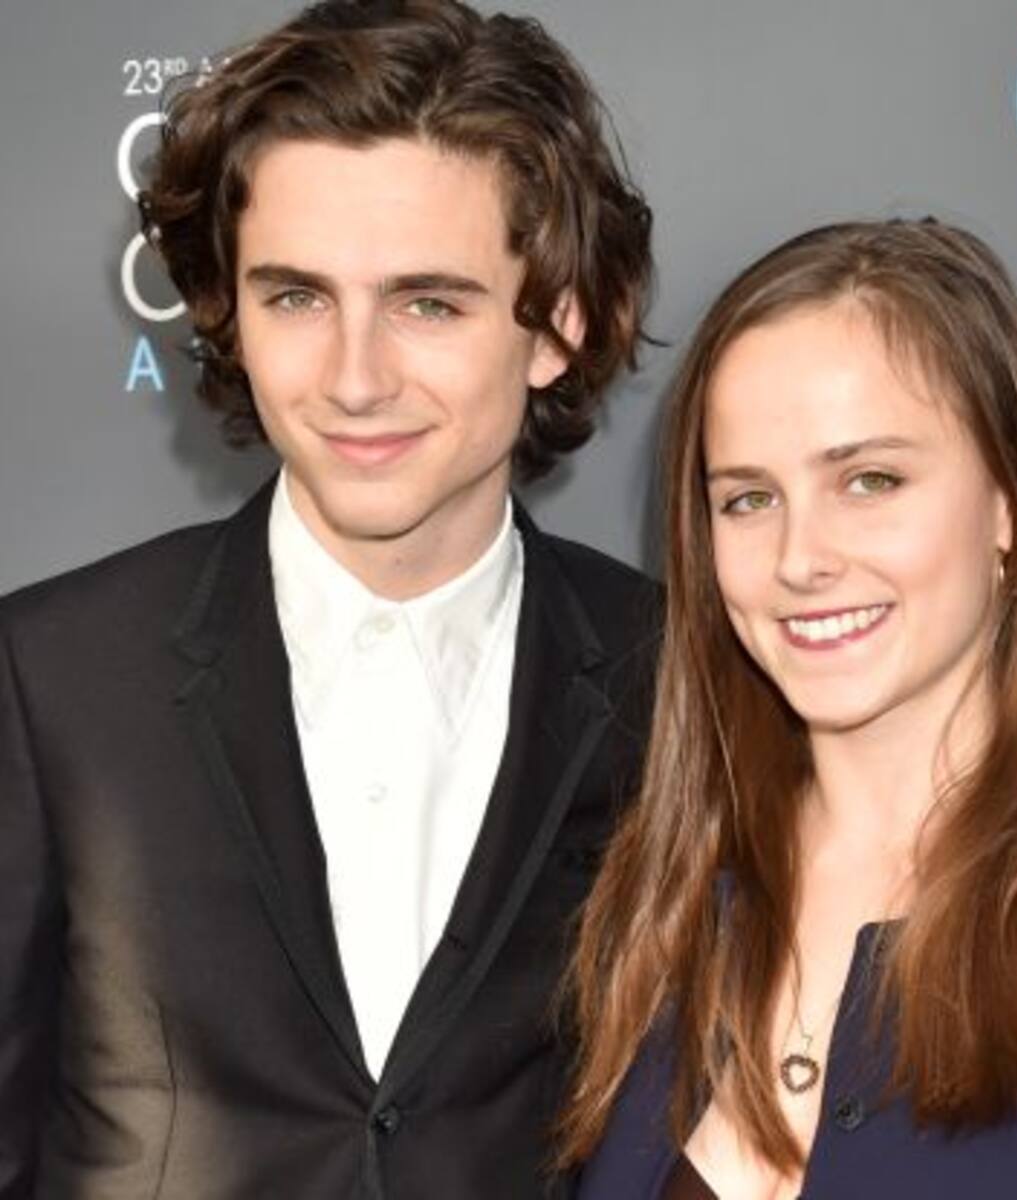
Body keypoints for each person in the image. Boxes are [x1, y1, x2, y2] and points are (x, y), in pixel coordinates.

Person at [0, 1, 658, 1196]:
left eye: (428, 303)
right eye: (297, 297)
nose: (355, 379)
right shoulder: (53, 677)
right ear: (230, 313)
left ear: (557, 324)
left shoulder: (676, 678)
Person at [560, 219, 1017, 1199]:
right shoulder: (666, 895)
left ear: (1013, 509)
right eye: (748, 499)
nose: (799, 559)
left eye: (869, 481)